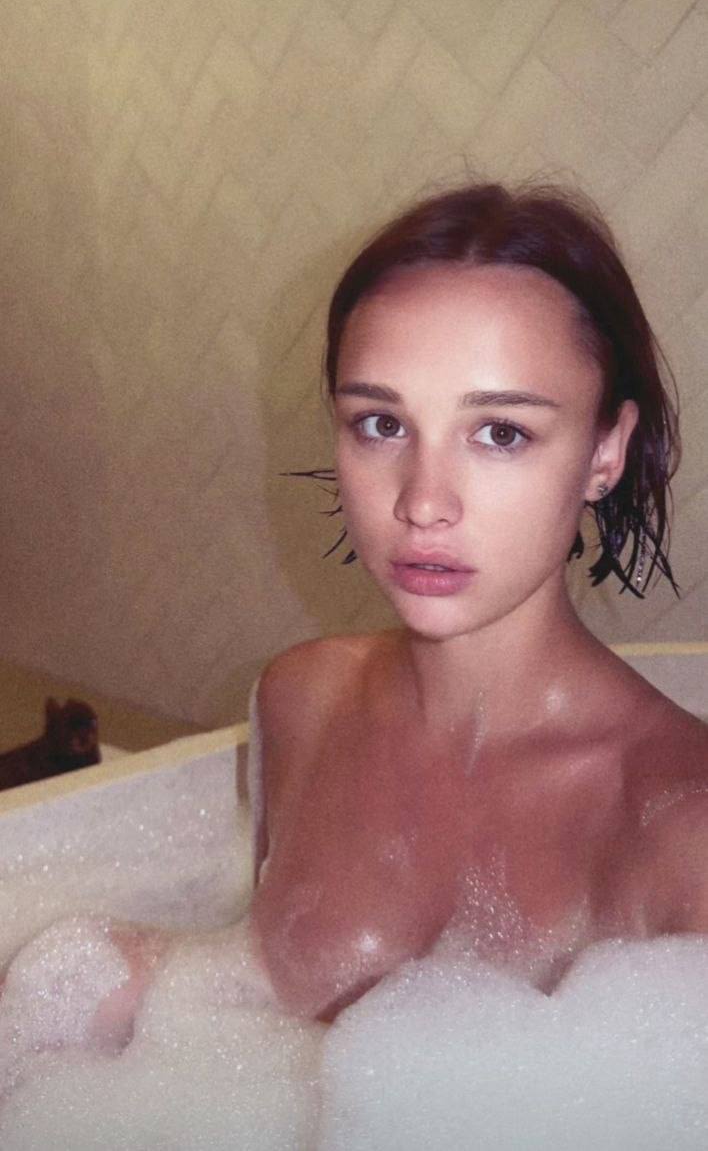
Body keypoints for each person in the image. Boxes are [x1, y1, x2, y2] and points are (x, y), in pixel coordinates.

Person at [2, 181, 707, 1050]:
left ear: (606, 451)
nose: (423, 501)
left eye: (501, 433)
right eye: (380, 424)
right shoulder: (303, 701)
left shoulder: (683, 830)